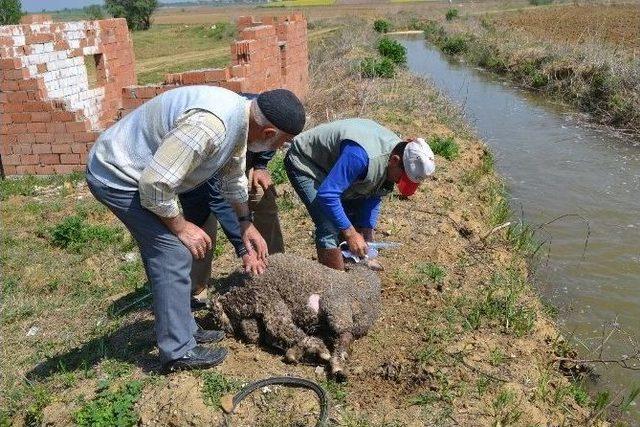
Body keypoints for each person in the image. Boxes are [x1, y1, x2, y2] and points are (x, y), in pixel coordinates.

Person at [85, 86, 305, 371]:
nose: (278, 150)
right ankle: (177, 352)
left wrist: (245, 222)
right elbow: (155, 185)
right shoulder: (209, 126)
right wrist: (180, 227)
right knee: (173, 252)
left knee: (176, 251)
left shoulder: (241, 118)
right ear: (268, 133)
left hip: (146, 175)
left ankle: (185, 329)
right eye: (281, 143)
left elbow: (232, 176)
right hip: (117, 174)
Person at [284, 118, 435, 270]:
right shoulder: (361, 157)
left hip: (338, 166)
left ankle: (351, 263)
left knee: (355, 224)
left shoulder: (399, 154)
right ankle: (336, 286)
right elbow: (327, 195)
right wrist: (350, 234)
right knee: (329, 224)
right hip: (308, 161)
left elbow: (375, 191)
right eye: (401, 178)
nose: (399, 182)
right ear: (395, 161)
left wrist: (366, 231)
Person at [181, 148, 285, 299]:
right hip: (199, 180)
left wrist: (260, 165)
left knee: (261, 194)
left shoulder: (253, 129)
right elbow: (217, 200)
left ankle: (275, 267)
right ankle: (198, 287)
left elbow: (272, 134)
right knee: (200, 231)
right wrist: (243, 248)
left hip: (239, 166)